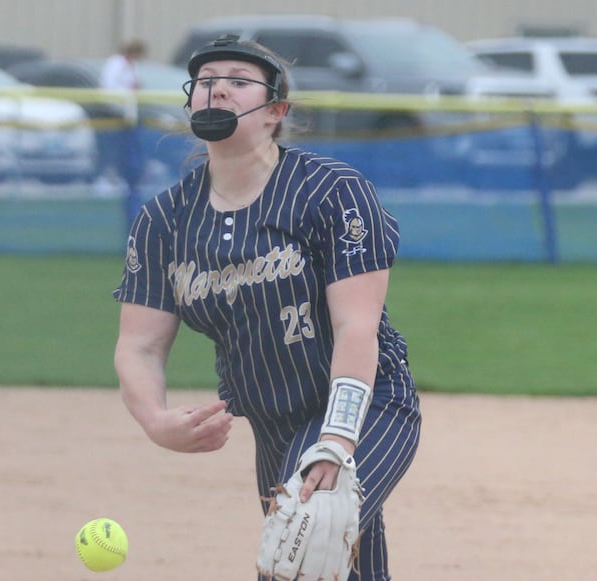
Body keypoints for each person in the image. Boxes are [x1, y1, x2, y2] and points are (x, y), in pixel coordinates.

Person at [113, 34, 421, 580]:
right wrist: (155, 420)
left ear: (276, 110)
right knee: (343, 567)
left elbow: (357, 326)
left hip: (367, 407)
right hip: (274, 427)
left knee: (297, 555)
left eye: (237, 82)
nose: (218, 92)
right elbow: (139, 345)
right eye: (205, 82)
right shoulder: (165, 220)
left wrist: (337, 440)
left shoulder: (330, 192)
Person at [100, 40, 147, 221]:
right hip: (114, 116)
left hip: (128, 117)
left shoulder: (130, 66)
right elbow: (109, 88)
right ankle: (107, 179)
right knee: (112, 152)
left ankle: (121, 180)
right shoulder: (115, 63)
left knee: (128, 157)